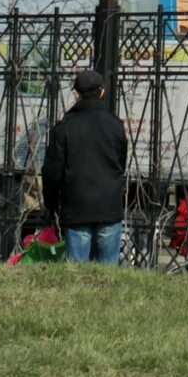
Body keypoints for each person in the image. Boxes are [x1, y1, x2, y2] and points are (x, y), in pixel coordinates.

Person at [42, 68, 130, 264]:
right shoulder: (115, 126)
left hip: (76, 208)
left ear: (77, 94)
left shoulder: (64, 128)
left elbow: (52, 172)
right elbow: (120, 164)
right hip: (109, 207)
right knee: (107, 276)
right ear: (102, 92)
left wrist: (50, 205)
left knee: (77, 276)